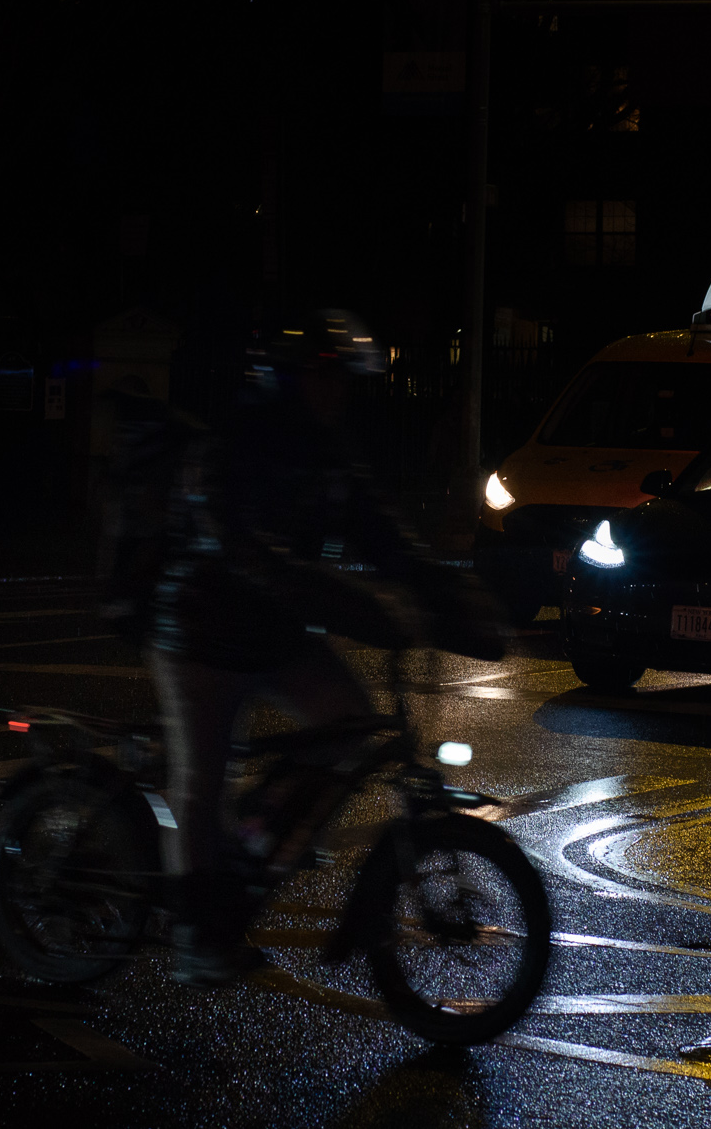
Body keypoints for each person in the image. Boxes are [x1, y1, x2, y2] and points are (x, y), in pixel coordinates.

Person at [142, 310, 493, 986]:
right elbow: (252, 556)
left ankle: (258, 832)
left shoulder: (327, 453)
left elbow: (384, 536)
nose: (337, 392)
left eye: (342, 380)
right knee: (202, 782)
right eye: (324, 377)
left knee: (351, 721)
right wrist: (355, 607)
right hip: (201, 633)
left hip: (276, 633)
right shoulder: (232, 447)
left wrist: (454, 599)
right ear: (286, 377)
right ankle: (196, 936)